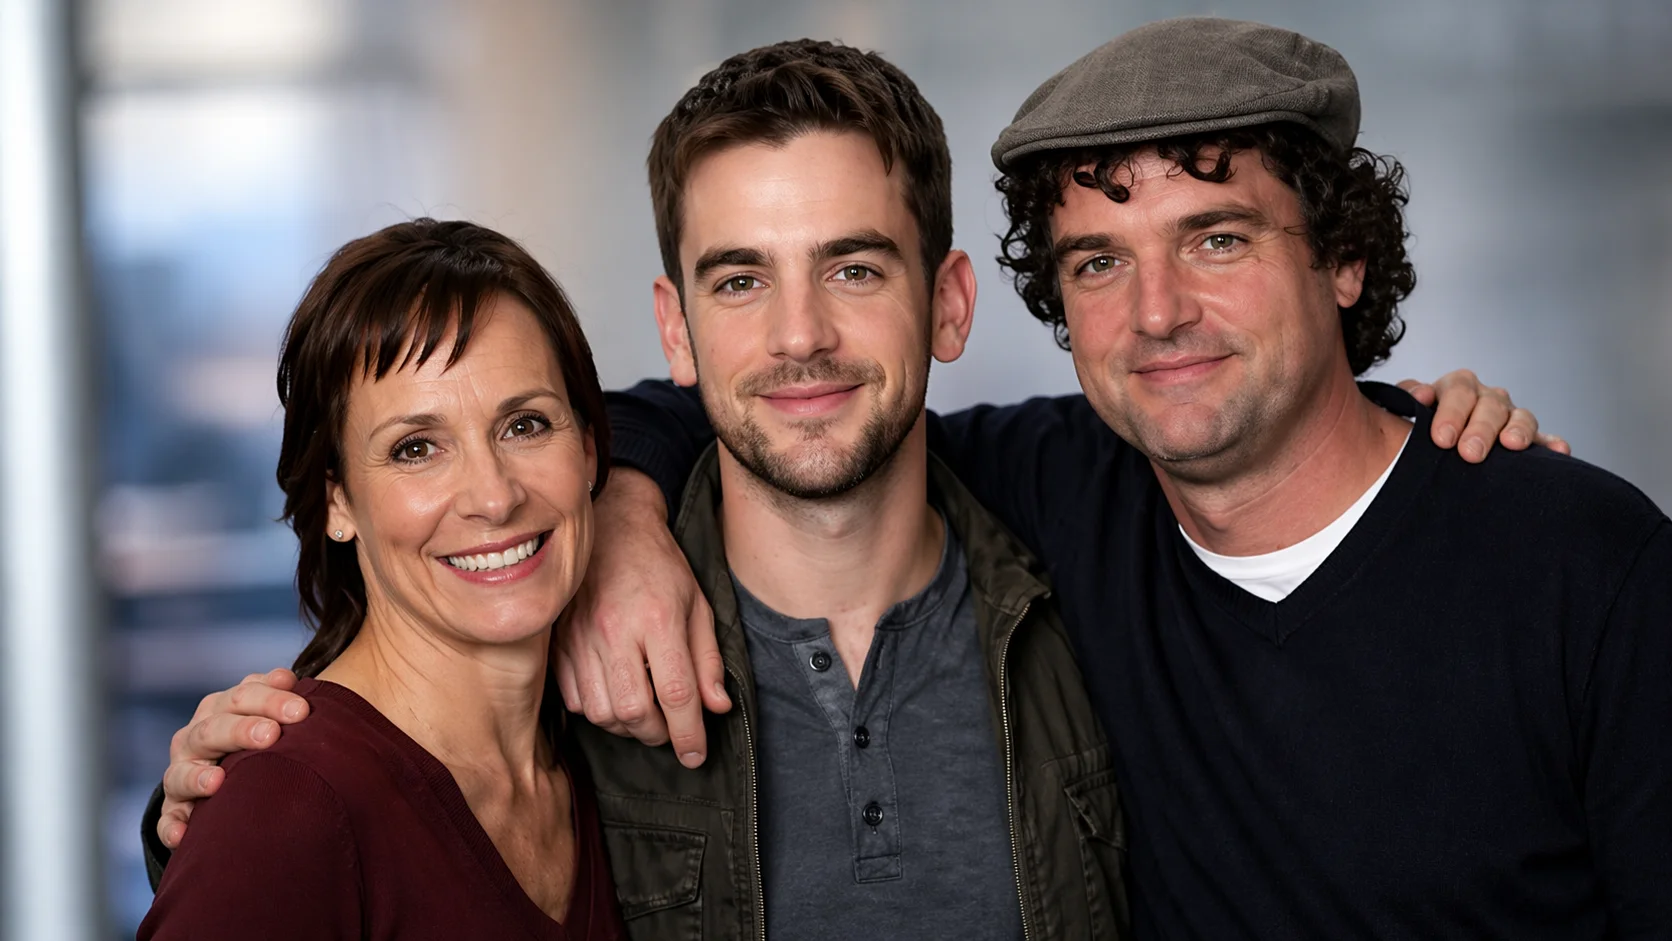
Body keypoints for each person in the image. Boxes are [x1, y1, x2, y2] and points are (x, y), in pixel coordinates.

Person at [147, 35, 1548, 941]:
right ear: (677, 330)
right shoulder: (564, 641)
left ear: (946, 302)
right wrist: (223, 809)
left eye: (855, 268)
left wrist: (1411, 443)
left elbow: (1253, 438)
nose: (802, 336)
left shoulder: (1092, 548)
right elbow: (383, 806)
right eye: (741, 280)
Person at [555, 18, 1672, 939]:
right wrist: (619, 508)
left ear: (1343, 257)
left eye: (1218, 239)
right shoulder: (1059, 491)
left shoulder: (1581, 566)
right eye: (1099, 262)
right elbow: (795, 410)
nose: (1157, 313)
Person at [138, 219, 626, 939]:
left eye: (524, 425)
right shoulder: (287, 810)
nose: (493, 496)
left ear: (588, 449)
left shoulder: (605, 765)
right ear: (337, 500)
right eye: (417, 448)